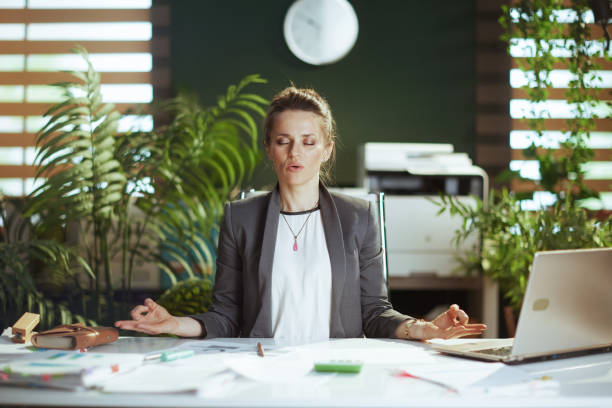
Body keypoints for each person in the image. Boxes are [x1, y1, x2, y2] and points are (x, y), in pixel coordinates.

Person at [115, 87, 487, 341]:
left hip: (336, 371)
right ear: (269, 149)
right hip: (263, 368)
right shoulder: (240, 218)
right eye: (283, 141)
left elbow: (373, 312)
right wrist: (174, 324)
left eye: (308, 142)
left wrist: (422, 329)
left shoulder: (359, 217)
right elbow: (226, 315)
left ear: (326, 149)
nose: (296, 152)